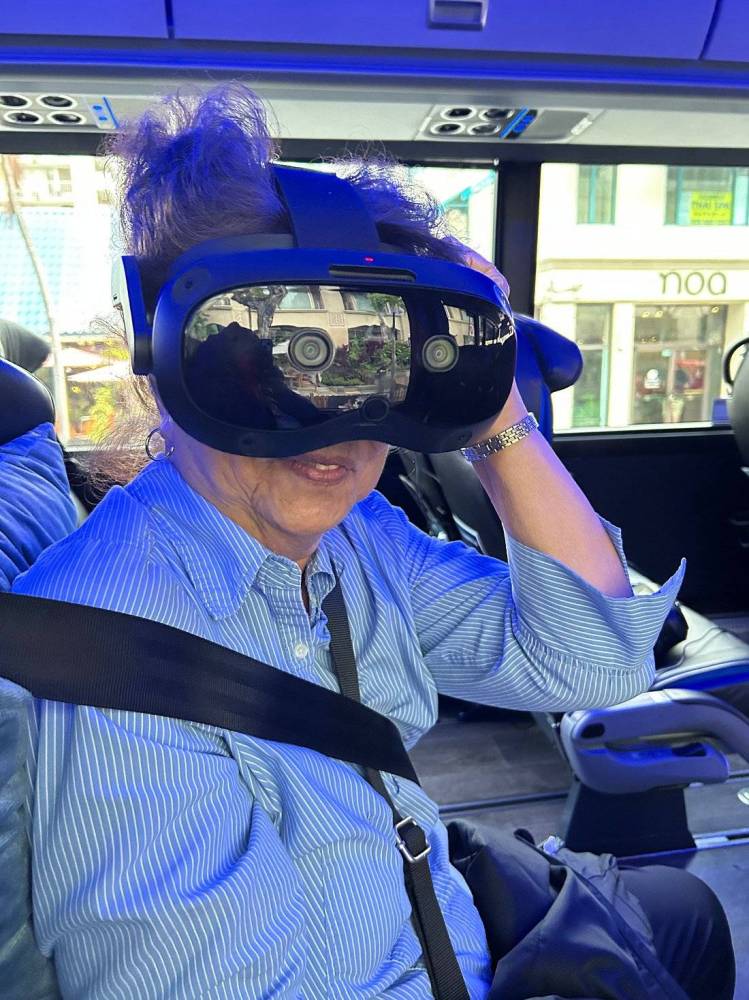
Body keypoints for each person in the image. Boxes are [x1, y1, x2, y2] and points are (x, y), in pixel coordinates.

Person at [9, 85, 733, 999]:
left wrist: (492, 394)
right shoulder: (116, 661)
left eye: (381, 365)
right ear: (167, 362)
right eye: (280, 360)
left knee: (688, 912)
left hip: (437, 918)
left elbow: (588, 663)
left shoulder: (359, 537)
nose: (340, 422)